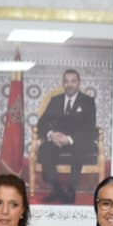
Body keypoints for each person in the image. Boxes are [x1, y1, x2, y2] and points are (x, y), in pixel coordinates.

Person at [36, 68, 97, 204]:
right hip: (57, 140)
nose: (70, 84)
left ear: (78, 83)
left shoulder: (88, 101)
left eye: (73, 81)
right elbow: (42, 123)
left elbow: (89, 128)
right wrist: (52, 135)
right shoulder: (55, 100)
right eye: (66, 81)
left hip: (78, 140)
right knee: (45, 149)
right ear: (63, 83)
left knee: (79, 148)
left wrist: (69, 139)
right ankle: (56, 188)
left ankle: (71, 190)